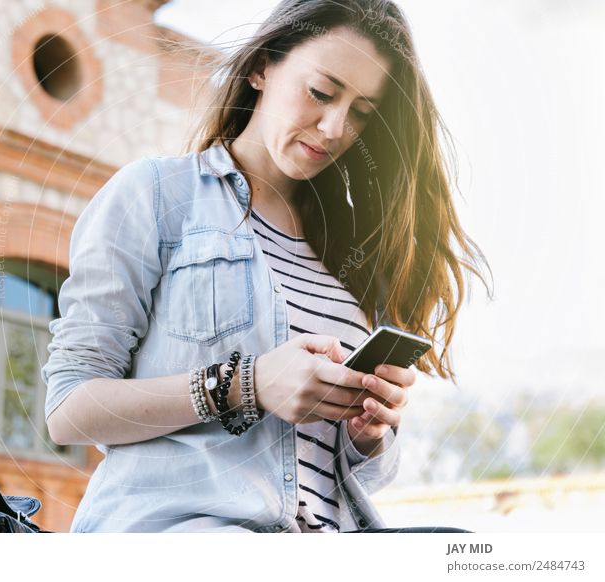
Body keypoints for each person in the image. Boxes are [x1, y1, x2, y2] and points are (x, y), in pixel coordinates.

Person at [41, 0, 491, 533]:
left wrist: (369, 433)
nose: (333, 126)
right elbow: (69, 410)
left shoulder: (350, 249)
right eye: (321, 92)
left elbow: (349, 475)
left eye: (362, 112)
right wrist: (247, 384)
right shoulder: (158, 195)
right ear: (262, 67)